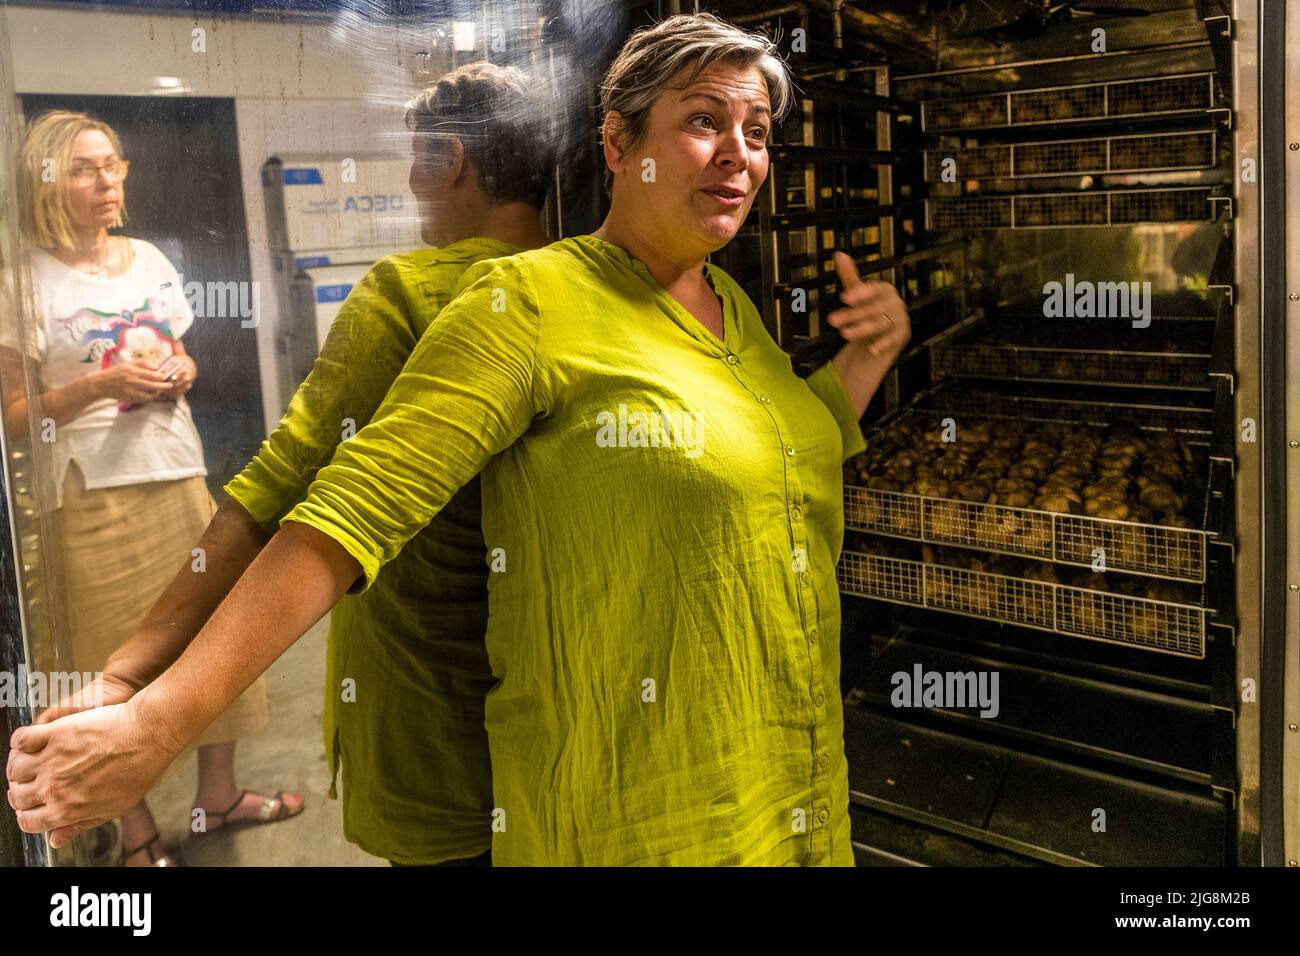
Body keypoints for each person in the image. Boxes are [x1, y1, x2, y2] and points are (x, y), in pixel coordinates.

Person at [8, 12, 911, 865]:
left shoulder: (736, 312)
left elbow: (782, 460)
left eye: (756, 132)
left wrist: (866, 359)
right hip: (643, 808)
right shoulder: (527, 304)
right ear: (617, 143)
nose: (738, 155)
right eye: (704, 120)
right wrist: (155, 713)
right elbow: (340, 512)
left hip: (790, 779)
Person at [17, 63, 557, 867]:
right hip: (560, 706)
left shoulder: (408, 293)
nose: (411, 183)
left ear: (449, 160)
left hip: (433, 704)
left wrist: (132, 687)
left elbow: (281, 491)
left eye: (417, 159)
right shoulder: (589, 285)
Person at [0, 110, 295, 866]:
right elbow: (11, 417)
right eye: (85, 169)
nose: (108, 183)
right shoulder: (20, 280)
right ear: (45, 183)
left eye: (115, 166)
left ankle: (216, 799)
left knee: (211, 636)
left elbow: (179, 353)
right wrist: (101, 385)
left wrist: (182, 372)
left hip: (180, 472)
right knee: (111, 662)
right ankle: (137, 839)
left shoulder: (149, 262)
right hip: (91, 496)